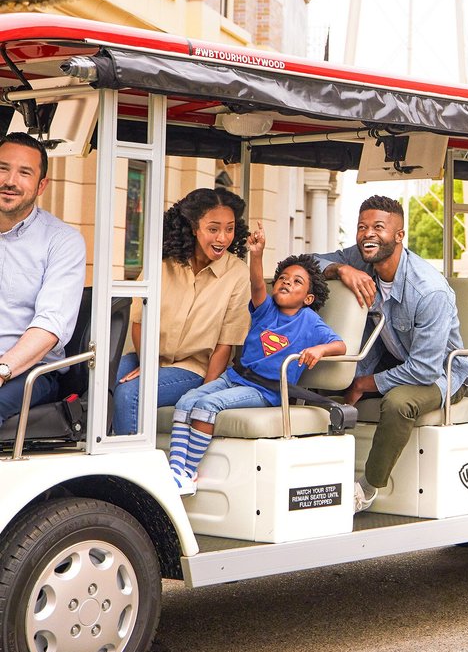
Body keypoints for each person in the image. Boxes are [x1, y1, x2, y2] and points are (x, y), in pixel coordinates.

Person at [316, 195, 468, 513]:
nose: (367, 233)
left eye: (378, 227)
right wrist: (341, 269)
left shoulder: (429, 290)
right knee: (321, 383)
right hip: (391, 359)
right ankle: (319, 477)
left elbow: (425, 370)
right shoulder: (362, 260)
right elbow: (306, 261)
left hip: (442, 373)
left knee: (399, 402)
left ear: (399, 235)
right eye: (362, 227)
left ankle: (368, 488)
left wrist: (362, 384)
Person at [167, 226, 344, 493]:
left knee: (206, 403)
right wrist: (257, 255)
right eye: (283, 278)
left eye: (297, 282)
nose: (287, 282)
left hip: (265, 390)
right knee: (186, 400)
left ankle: (189, 471)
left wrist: (319, 350)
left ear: (308, 298)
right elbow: (257, 284)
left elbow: (340, 345)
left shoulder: (309, 321)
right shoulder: (266, 309)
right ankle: (176, 471)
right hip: (235, 377)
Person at [113, 187, 252, 434]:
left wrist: (204, 394)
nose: (222, 238)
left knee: (130, 394)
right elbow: (139, 321)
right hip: (148, 357)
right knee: (99, 380)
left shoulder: (239, 274)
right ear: (193, 227)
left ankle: (129, 470)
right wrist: (149, 363)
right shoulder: (162, 264)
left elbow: (225, 345)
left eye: (229, 228)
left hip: (194, 369)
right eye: (213, 229)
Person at [0, 133, 86, 425]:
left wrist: (2, 369)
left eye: (25, 172)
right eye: (3, 168)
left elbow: (50, 326)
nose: (10, 180)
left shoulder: (62, 241)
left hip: (26, 372)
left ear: (41, 185)